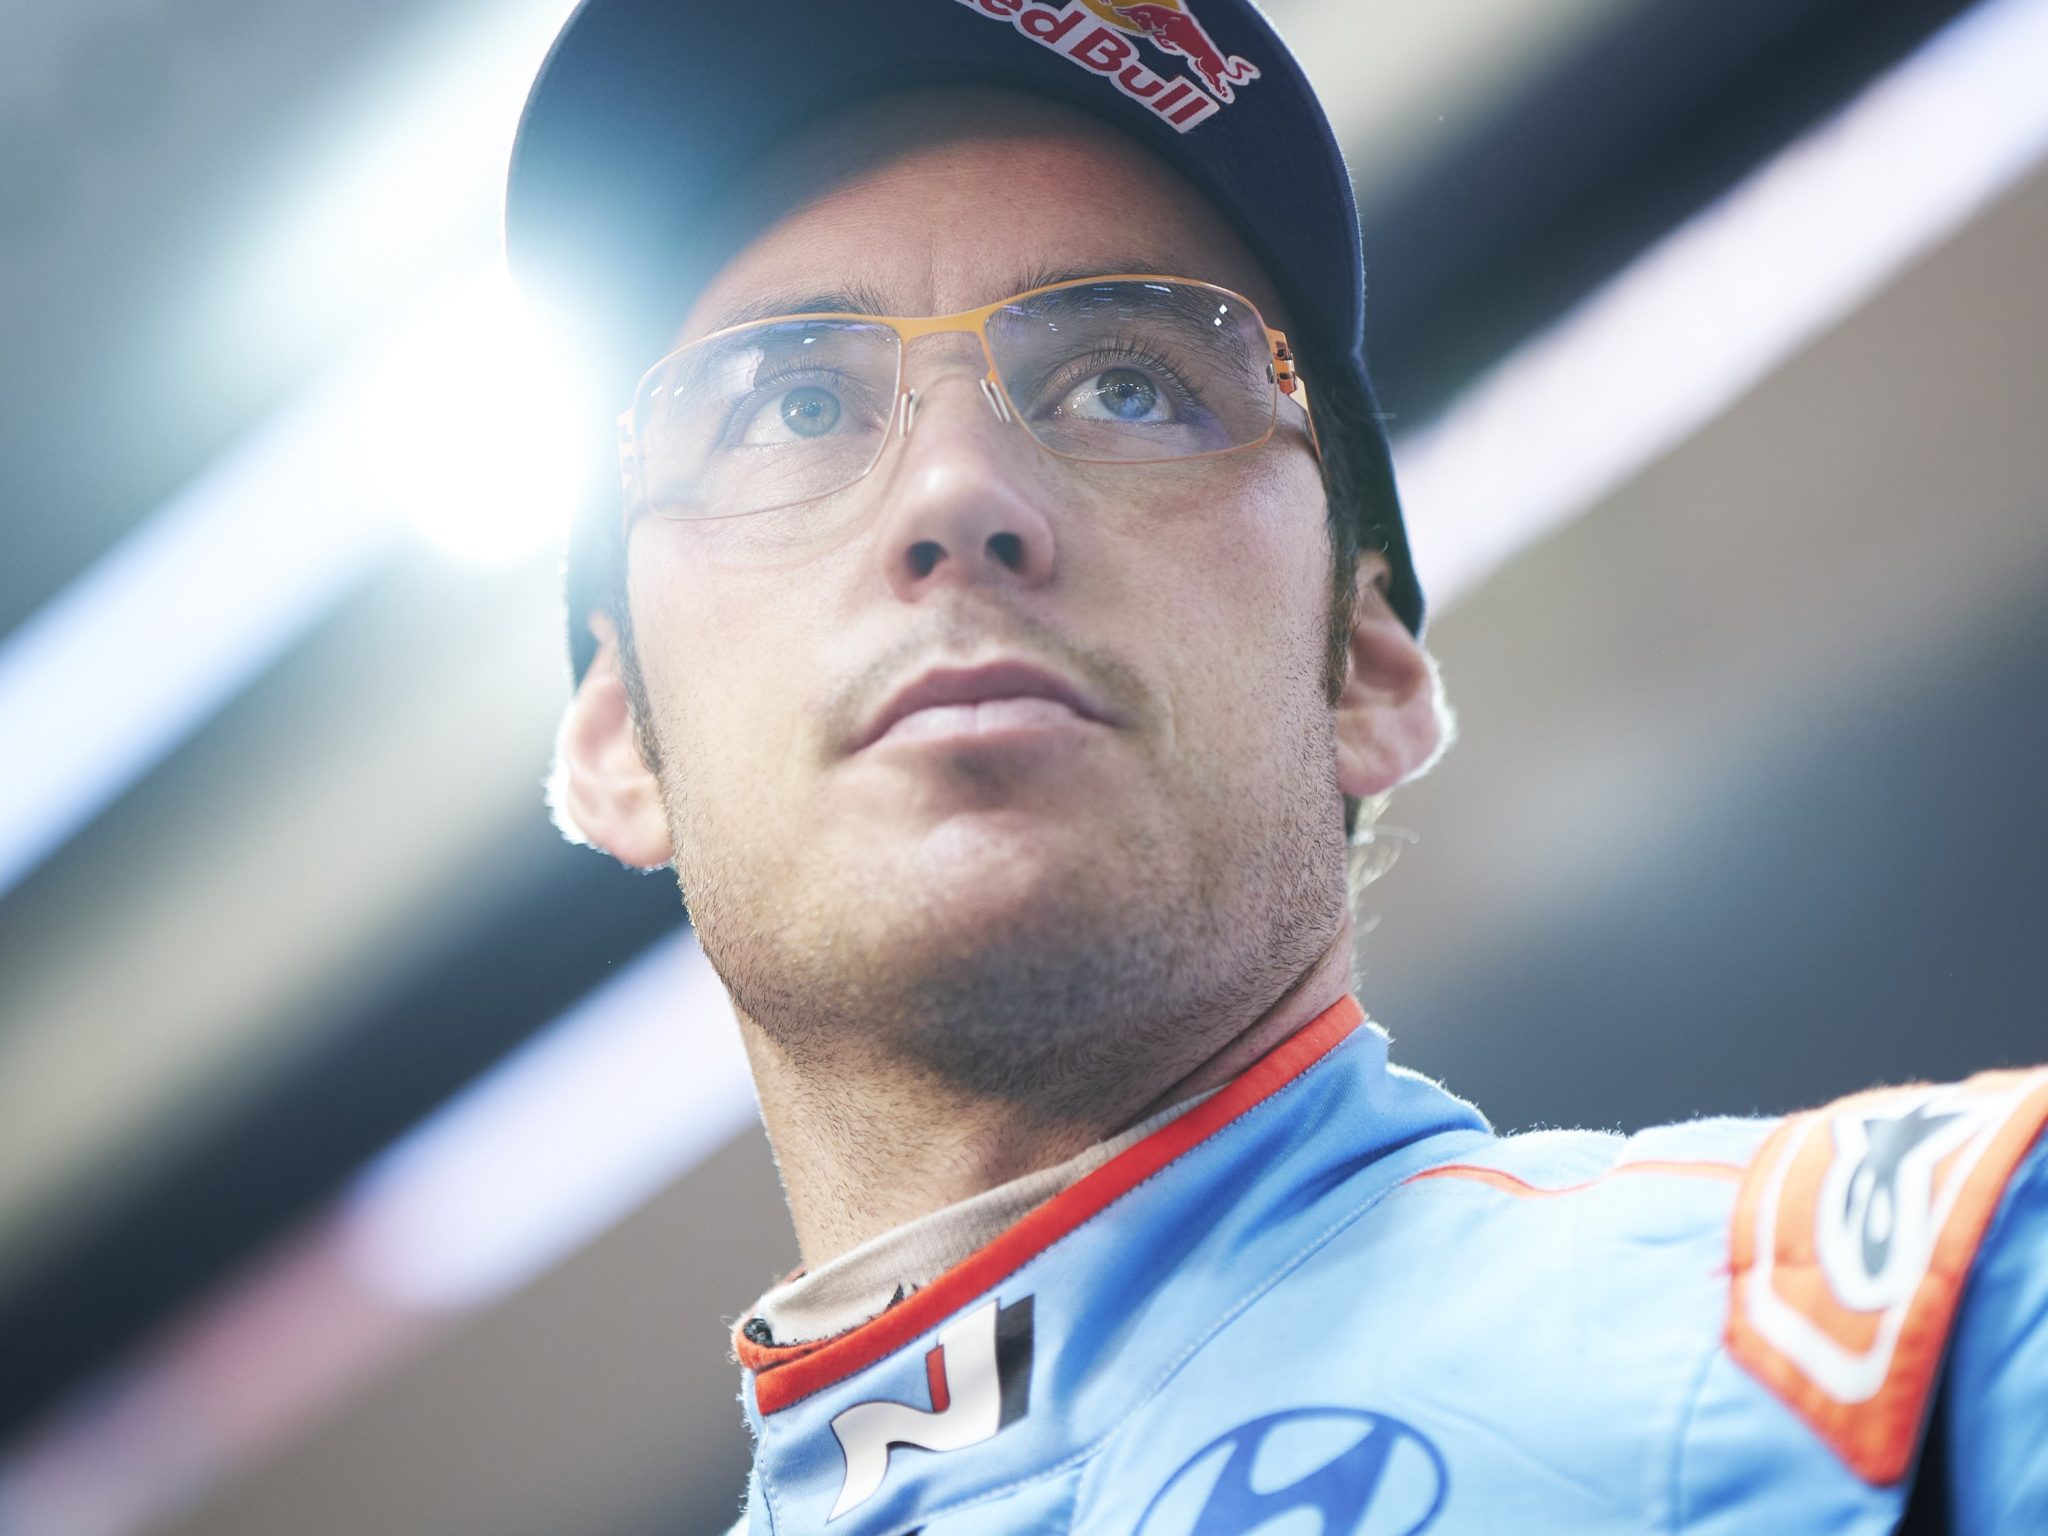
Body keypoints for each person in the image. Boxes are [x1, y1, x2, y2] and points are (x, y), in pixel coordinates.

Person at [505, 3, 2046, 1530]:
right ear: (613, 740)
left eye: (1127, 384)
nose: (959, 491)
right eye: (790, 406)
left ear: (1364, 669)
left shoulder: (1939, 1301)